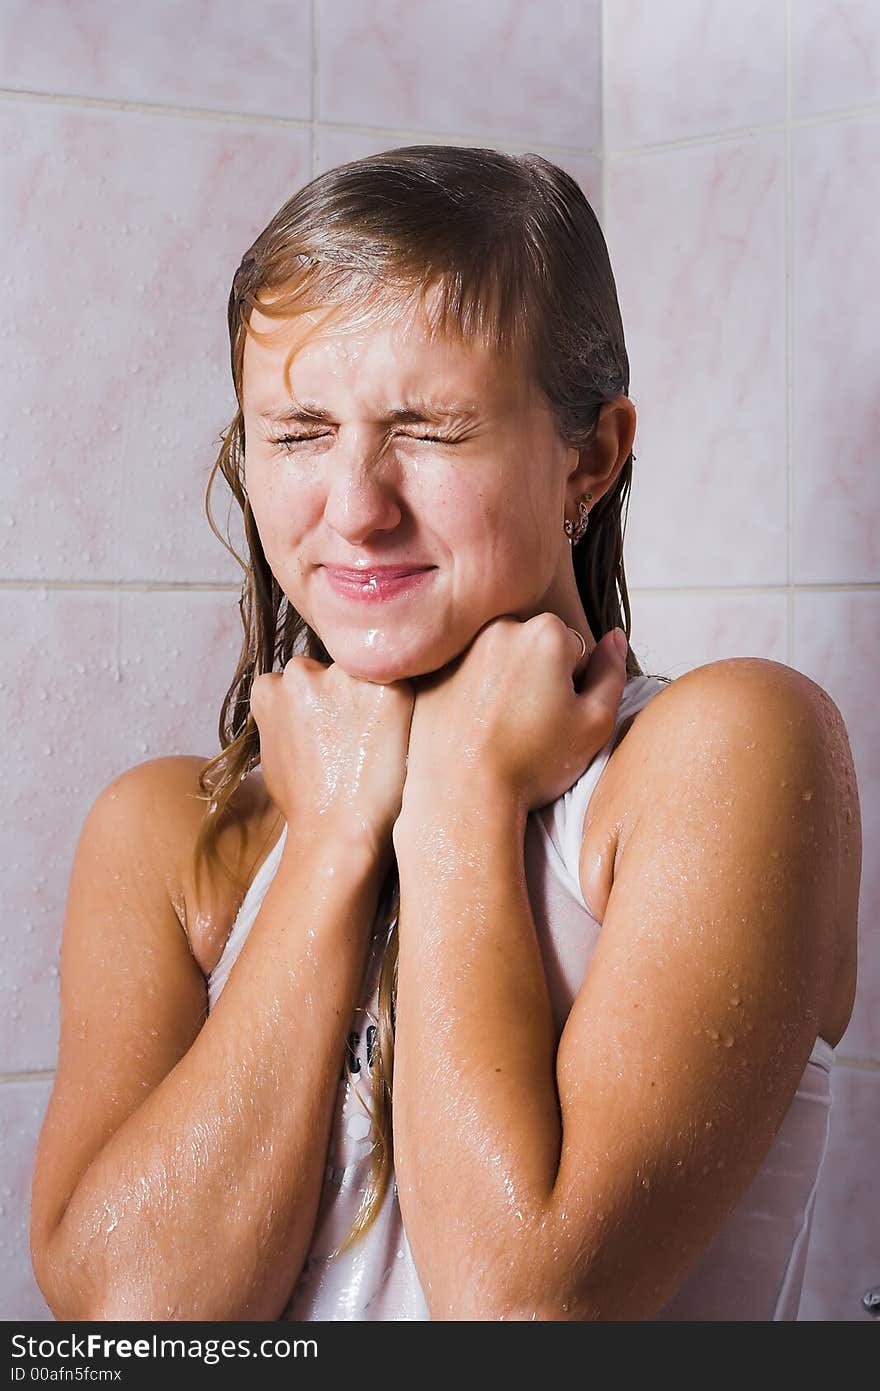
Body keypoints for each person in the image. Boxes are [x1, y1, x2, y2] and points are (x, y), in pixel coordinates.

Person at [29, 146, 861, 1322]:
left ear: (589, 454)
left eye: (427, 425)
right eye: (301, 432)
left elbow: (526, 1312)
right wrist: (327, 842)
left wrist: (460, 794)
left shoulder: (726, 751)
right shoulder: (169, 831)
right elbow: (127, 1322)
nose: (357, 507)